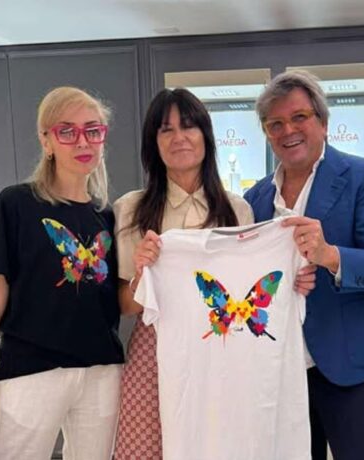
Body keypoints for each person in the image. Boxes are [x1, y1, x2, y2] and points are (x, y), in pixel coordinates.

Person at [244, 69, 364, 460]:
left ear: (323, 122)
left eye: (299, 117)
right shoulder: (255, 199)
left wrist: (330, 255)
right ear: (266, 133)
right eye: (275, 124)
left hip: (349, 367)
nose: (288, 130)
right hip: (279, 372)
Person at [0, 86, 125, 459]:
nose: (82, 141)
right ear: (46, 141)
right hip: (30, 371)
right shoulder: (16, 204)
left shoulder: (107, 215)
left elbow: (114, 299)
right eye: (67, 131)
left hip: (101, 370)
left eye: (92, 130)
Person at [112, 88, 254, 459]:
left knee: (217, 446)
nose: (179, 137)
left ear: (206, 135)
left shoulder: (238, 210)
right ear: (153, 143)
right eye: (166, 129)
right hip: (155, 349)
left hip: (220, 348)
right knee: (144, 447)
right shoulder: (132, 209)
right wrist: (142, 274)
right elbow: (125, 305)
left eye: (189, 126)